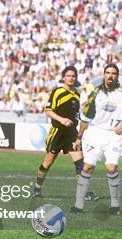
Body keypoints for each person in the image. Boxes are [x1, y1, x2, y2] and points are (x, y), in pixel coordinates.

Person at [72, 64, 122, 215]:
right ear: (103, 75)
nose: (110, 76)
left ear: (117, 76)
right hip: (95, 133)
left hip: (114, 135)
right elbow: (85, 118)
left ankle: (115, 205)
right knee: (87, 167)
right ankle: (78, 206)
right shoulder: (95, 93)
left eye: (113, 73)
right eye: (107, 73)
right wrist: (79, 137)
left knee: (111, 168)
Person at [33, 66, 98, 201]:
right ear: (63, 77)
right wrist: (62, 120)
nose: (71, 78)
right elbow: (48, 110)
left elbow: (75, 115)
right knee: (48, 162)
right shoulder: (58, 92)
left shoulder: (77, 94)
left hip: (71, 134)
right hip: (57, 132)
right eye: (68, 75)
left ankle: (83, 193)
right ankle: (37, 188)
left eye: (73, 76)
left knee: (80, 163)